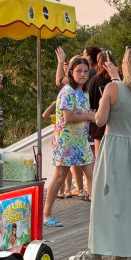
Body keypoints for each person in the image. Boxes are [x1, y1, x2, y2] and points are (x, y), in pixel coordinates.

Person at [66, 47, 131, 260]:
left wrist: (90, 112)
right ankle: (121, 257)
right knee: (130, 202)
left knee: (105, 202)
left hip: (113, 147)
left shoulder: (113, 88)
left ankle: (96, 253)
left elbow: (100, 121)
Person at [42, 56, 95, 227]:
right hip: (66, 141)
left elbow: (81, 112)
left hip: (81, 141)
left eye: (86, 71)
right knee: (59, 177)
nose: (83, 74)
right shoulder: (67, 91)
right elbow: (69, 117)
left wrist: (89, 114)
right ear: (71, 72)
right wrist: (91, 115)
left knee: (92, 175)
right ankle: (46, 213)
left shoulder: (84, 92)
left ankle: (97, 214)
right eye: (79, 71)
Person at [87, 51, 118, 153]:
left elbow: (90, 103)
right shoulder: (120, 79)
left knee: (99, 155)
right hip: (117, 122)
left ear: (98, 63)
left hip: (99, 122)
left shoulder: (94, 81)